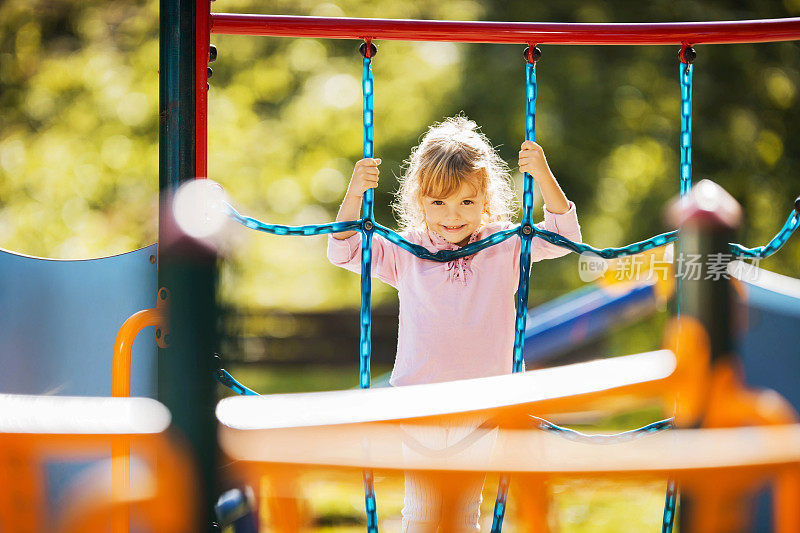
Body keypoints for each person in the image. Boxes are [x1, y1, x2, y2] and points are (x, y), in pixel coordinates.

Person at [327, 116, 582, 532]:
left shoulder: (503, 245)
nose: (452, 216)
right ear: (420, 201)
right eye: (439, 203)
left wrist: (543, 175)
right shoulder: (407, 249)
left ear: (486, 200)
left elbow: (563, 236)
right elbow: (345, 250)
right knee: (421, 513)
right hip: (418, 401)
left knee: (464, 512)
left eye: (466, 202)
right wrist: (355, 193)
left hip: (481, 402)